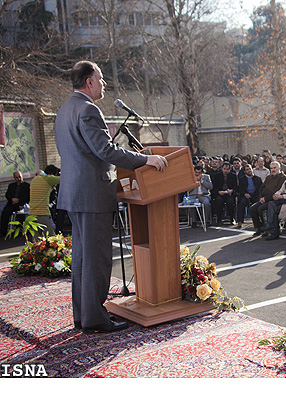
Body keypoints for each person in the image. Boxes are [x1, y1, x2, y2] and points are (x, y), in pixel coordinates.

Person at [55, 60, 167, 334]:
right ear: (89, 82)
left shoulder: (65, 109)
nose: (104, 83)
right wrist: (146, 160)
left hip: (76, 194)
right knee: (97, 259)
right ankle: (95, 318)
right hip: (92, 195)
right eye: (101, 78)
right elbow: (106, 152)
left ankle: (84, 315)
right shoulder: (88, 110)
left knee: (83, 258)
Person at [249, 161, 286, 236]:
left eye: (274, 168)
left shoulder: (283, 178)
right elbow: (262, 188)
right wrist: (261, 198)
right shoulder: (269, 177)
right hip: (264, 199)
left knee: (260, 208)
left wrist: (265, 199)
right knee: (252, 209)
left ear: (279, 168)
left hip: (273, 200)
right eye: (271, 168)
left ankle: (267, 228)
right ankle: (259, 227)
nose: (273, 170)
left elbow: (278, 191)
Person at [29, 165, 61, 240]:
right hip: (42, 213)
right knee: (52, 239)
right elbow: (64, 179)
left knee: (37, 240)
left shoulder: (36, 179)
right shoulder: (49, 179)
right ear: (52, 174)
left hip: (31, 213)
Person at [1, 171, 31, 237]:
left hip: (21, 204)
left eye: (20, 177)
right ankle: (3, 231)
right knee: (5, 212)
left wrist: (19, 200)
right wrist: (12, 199)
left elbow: (28, 196)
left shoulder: (26, 185)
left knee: (20, 215)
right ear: (14, 178)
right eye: (17, 177)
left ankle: (20, 231)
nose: (19, 179)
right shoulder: (11, 186)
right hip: (12, 203)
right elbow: (7, 194)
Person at [236, 164, 263, 228]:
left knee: (259, 205)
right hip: (246, 196)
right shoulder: (242, 179)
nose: (249, 171)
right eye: (247, 170)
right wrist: (245, 194)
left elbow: (260, 189)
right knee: (241, 203)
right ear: (245, 171)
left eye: (250, 169)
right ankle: (240, 221)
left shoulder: (258, 179)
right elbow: (240, 189)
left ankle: (259, 222)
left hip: (255, 196)